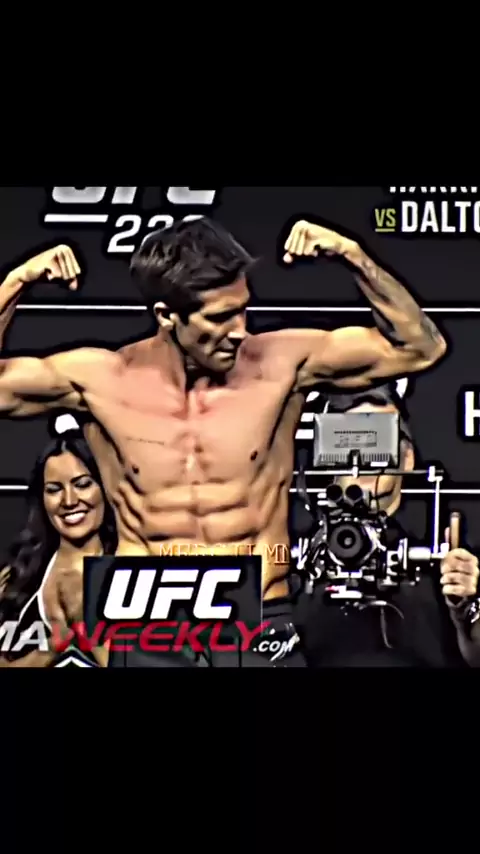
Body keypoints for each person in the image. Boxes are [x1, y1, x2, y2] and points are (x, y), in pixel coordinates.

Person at [0, 217, 447, 666]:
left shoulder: (280, 364)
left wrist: (353, 254)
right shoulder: (102, 380)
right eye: (219, 317)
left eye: (242, 309)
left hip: (258, 616)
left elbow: (420, 348)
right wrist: (15, 282)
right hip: (146, 615)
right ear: (167, 316)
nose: (239, 330)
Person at [292, 385, 480, 667]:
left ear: (407, 457)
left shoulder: (444, 554)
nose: (361, 457)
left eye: (377, 439)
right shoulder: (297, 555)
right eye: (347, 439)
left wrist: (466, 612)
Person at [0, 428, 117, 667]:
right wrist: (52, 648)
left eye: (82, 484)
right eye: (54, 490)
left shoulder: (134, 575)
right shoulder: (15, 578)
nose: (69, 501)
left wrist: (86, 627)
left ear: (106, 488)